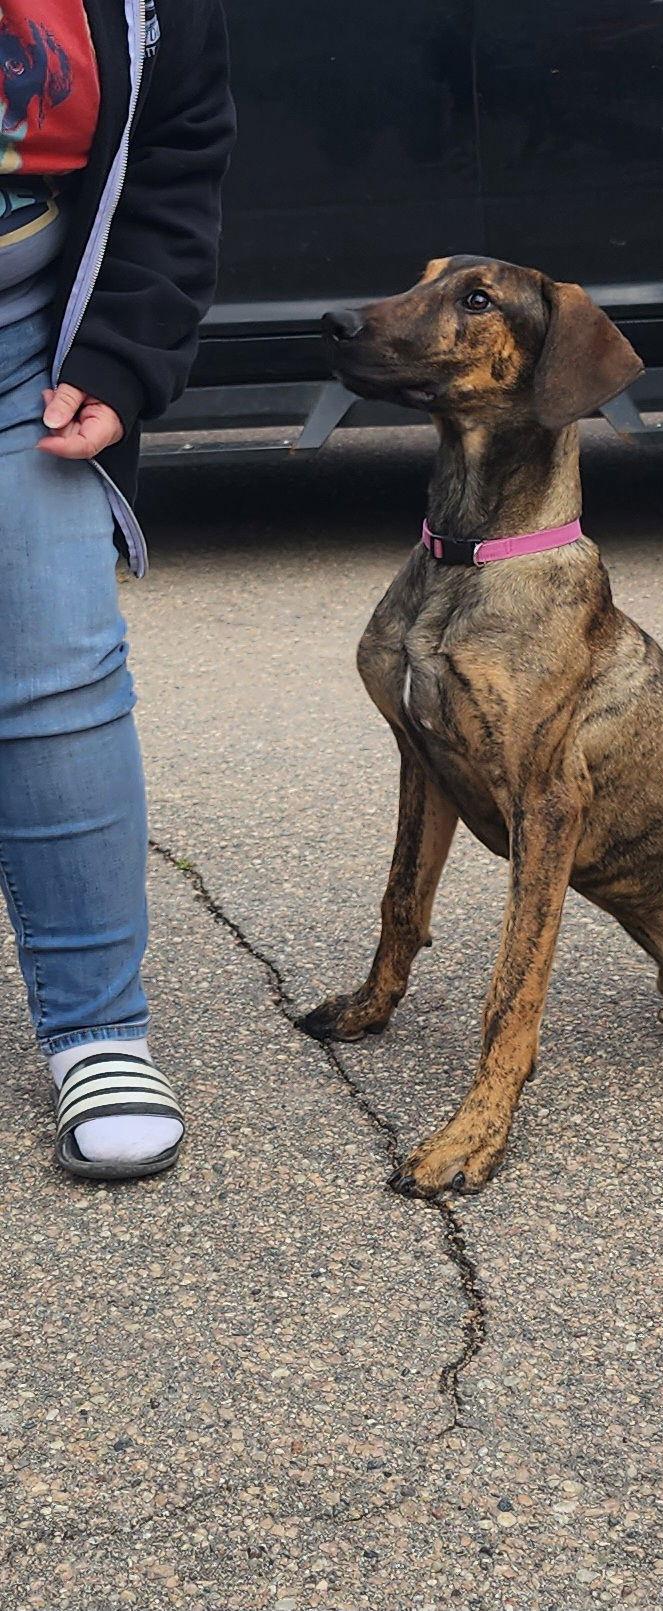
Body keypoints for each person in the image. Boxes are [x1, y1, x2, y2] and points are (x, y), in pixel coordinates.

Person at [0, 0, 233, 1178]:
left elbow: (174, 151)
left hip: (15, 351)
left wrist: (121, 354)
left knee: (58, 677)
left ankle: (98, 1032)